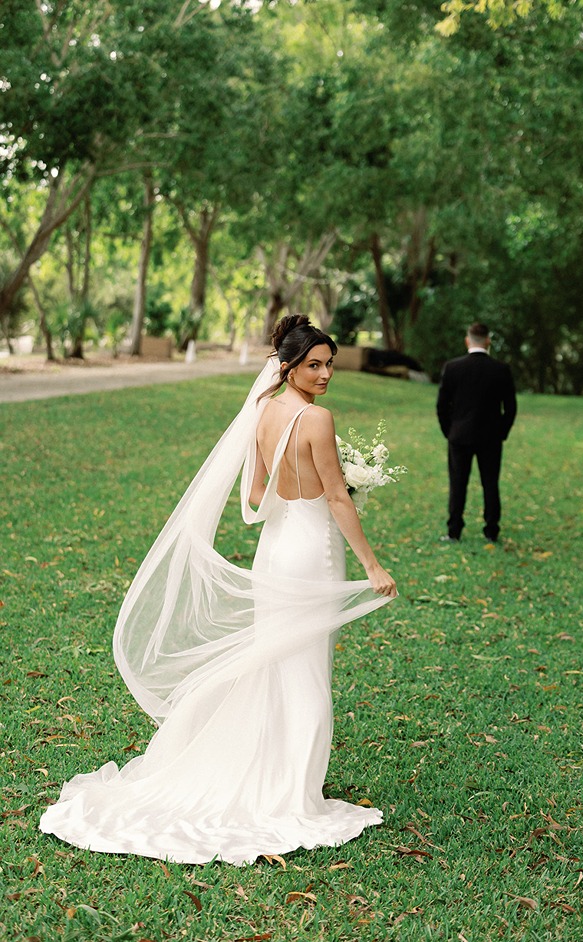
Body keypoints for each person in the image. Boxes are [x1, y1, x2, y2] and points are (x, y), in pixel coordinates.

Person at [40, 315, 397, 866]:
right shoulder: (317, 419)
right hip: (310, 552)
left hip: (275, 547)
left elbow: (256, 491)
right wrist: (372, 564)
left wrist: (302, 481)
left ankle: (265, 762)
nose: (326, 374)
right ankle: (291, 789)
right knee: (304, 665)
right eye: (314, 365)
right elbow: (336, 501)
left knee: (277, 657)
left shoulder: (260, 410)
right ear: (290, 366)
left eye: (329, 364)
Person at [436, 322, 517, 542]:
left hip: (459, 436)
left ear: (467, 340)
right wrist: (502, 432)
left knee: (457, 484)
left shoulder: (453, 368)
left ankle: (454, 531)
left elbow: (442, 406)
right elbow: (510, 408)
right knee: (490, 484)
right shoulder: (501, 369)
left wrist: (449, 431)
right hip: (491, 437)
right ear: (488, 341)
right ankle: (492, 530)